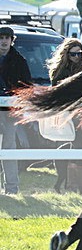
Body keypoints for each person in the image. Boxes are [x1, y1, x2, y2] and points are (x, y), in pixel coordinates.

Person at [47, 38, 82, 195]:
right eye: (74, 54)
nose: (77, 57)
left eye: (80, 54)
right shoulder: (60, 72)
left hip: (81, 112)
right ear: (67, 54)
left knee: (79, 146)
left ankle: (73, 185)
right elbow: (59, 91)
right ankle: (80, 185)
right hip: (68, 113)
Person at [0, 26, 32, 195]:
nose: (4, 40)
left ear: (12, 40)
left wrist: (16, 100)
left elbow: (28, 86)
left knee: (9, 147)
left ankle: (11, 188)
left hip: (10, 110)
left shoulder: (19, 60)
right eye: (1, 37)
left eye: (7, 37)